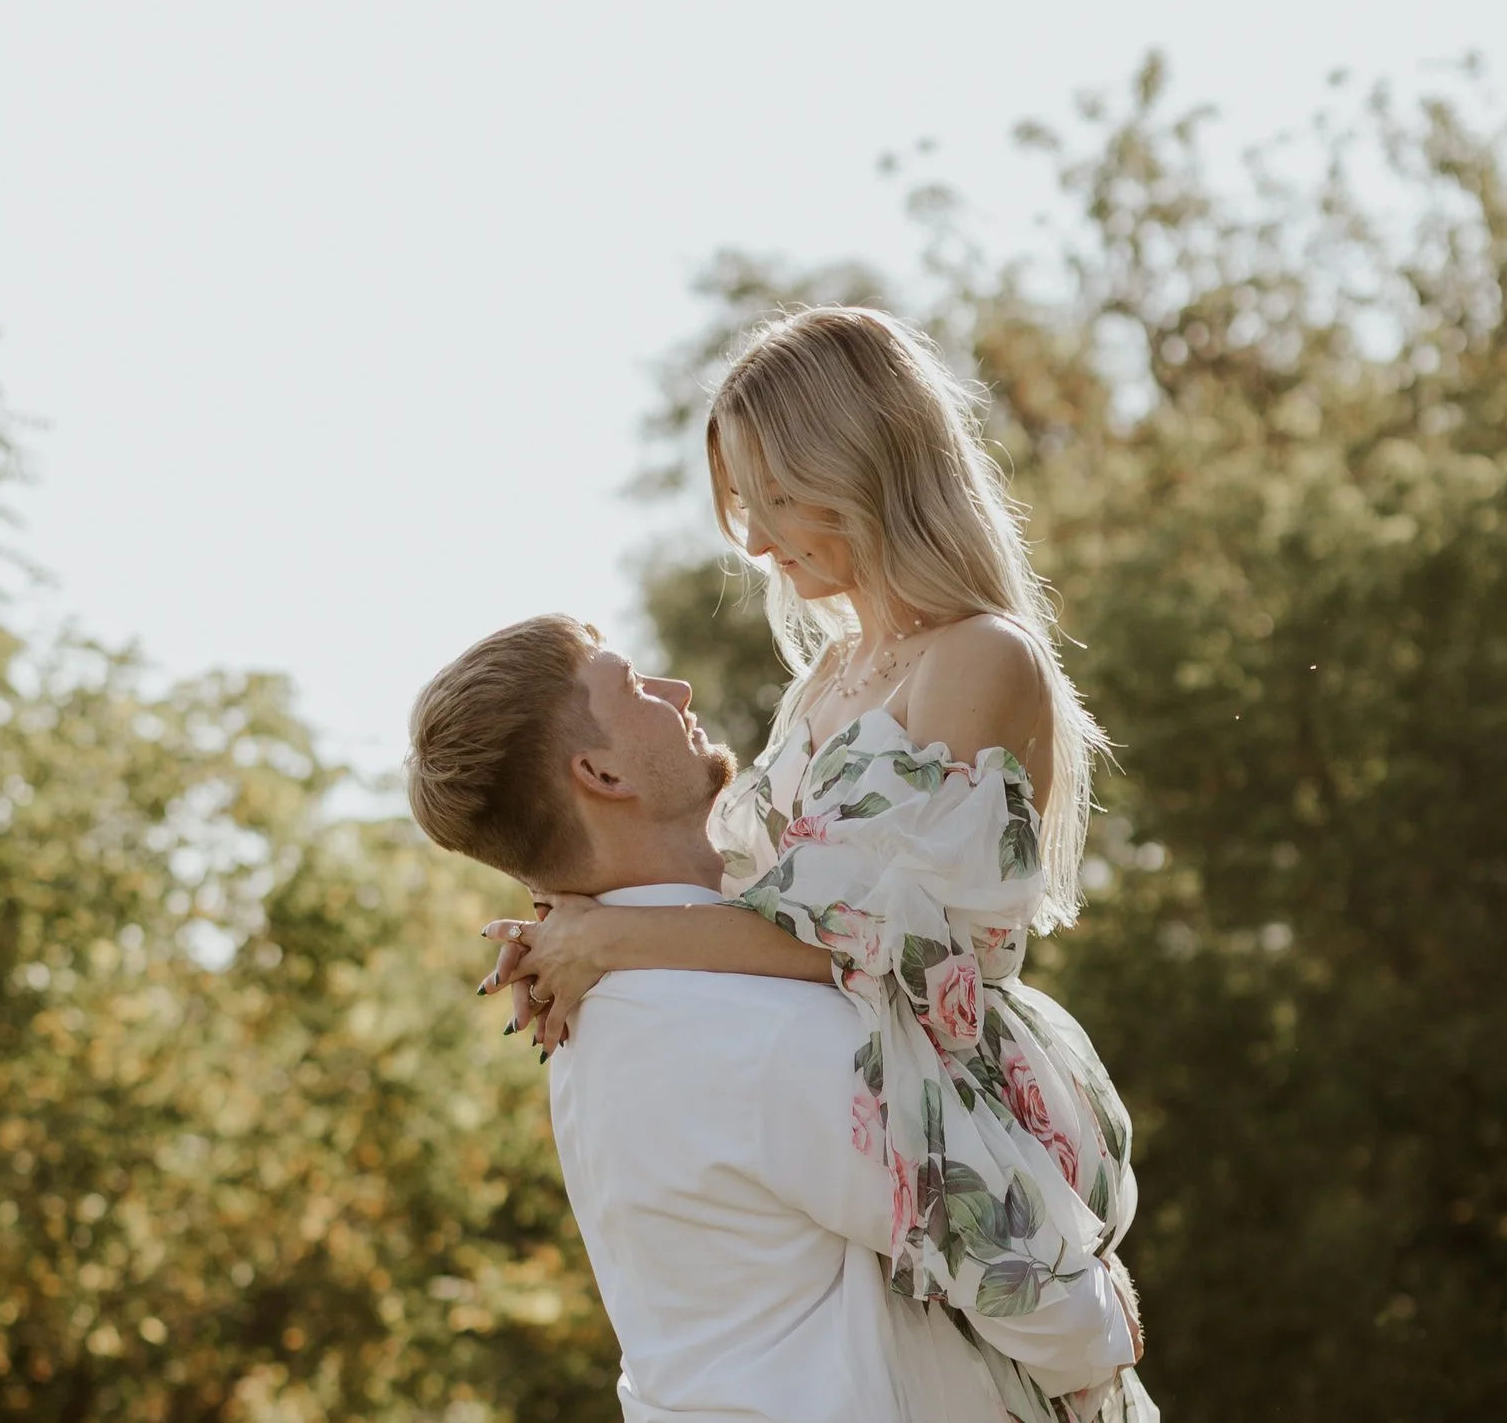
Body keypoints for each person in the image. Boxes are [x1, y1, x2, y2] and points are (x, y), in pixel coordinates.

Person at [480, 308, 1154, 1423]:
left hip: (944, 1102)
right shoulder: (834, 672)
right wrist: (565, 910)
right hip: (862, 1118)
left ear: (859, 464)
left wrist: (609, 935)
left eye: (773, 495)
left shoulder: (979, 658)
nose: (754, 539)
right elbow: (749, 894)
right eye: (743, 503)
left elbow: (872, 934)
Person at [406, 616, 1141, 1423]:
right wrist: (1108, 1315)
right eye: (636, 686)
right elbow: (1019, 1273)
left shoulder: (605, 1001)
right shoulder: (757, 1026)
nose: (676, 690)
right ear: (602, 770)